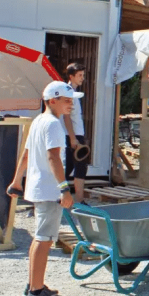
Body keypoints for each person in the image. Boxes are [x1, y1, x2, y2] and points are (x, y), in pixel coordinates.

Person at [8, 81, 79, 296]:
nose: (71, 104)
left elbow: (27, 154)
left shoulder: (39, 121)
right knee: (45, 239)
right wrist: (64, 188)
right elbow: (53, 158)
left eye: (72, 100)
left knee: (40, 238)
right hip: (49, 191)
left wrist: (17, 180)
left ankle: (33, 285)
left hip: (40, 188)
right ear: (52, 101)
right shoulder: (53, 125)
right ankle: (36, 294)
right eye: (67, 100)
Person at [60, 63, 88, 204]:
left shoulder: (74, 93)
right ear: (71, 76)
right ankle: (80, 201)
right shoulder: (69, 92)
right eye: (79, 76)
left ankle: (55, 197)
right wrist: (72, 138)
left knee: (68, 168)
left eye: (83, 75)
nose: (82, 78)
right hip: (73, 135)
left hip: (75, 134)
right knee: (80, 166)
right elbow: (66, 117)